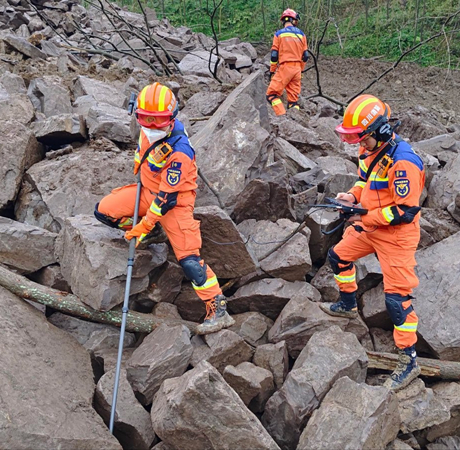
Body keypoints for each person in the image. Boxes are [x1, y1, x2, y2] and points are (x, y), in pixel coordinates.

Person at [94, 82, 234, 334]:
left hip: (175, 202)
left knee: (190, 261)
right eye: (144, 119)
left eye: (157, 120)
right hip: (148, 191)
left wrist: (144, 224)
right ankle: (155, 233)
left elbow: (166, 200)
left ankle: (218, 308)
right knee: (103, 211)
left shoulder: (179, 152)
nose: (150, 125)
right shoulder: (148, 130)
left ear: (171, 117)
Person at [321, 94, 425, 391]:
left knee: (397, 300)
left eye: (361, 138)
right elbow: (364, 181)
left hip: (396, 236)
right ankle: (347, 304)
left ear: (380, 131)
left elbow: (405, 212)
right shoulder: (369, 149)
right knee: (338, 257)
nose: (359, 144)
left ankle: (409, 361)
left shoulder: (404, 163)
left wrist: (364, 216)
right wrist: (352, 197)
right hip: (370, 224)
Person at [266, 8, 308, 116]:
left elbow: (274, 56)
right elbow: (305, 56)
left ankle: (282, 116)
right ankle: (295, 120)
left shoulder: (279, 34)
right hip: (297, 70)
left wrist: (272, 71)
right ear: (292, 20)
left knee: (271, 95)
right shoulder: (302, 35)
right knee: (293, 101)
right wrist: (301, 70)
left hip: (285, 68)